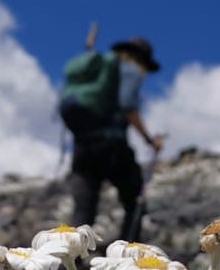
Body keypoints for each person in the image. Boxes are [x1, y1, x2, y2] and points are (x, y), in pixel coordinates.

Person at [68, 36, 164, 242]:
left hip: (82, 146)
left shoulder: (97, 72)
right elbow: (128, 106)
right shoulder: (130, 70)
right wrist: (149, 140)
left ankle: (69, 260)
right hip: (112, 146)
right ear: (141, 59)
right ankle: (128, 254)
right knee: (135, 201)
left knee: (83, 210)